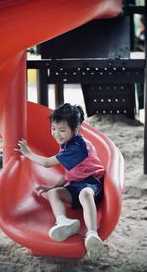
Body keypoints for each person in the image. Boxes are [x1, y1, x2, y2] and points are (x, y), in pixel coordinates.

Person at [16, 103, 105, 258]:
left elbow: (46, 163)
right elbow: (69, 174)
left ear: (76, 129)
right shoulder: (67, 143)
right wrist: (52, 187)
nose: (56, 134)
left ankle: (92, 233)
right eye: (53, 128)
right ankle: (63, 221)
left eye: (62, 130)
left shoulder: (77, 147)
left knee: (85, 194)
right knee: (53, 193)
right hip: (75, 185)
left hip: (91, 183)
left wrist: (28, 153)